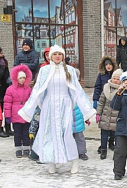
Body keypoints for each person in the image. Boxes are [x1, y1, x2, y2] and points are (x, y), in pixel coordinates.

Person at [18, 45, 96, 174]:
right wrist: (29, 109)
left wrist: (87, 110)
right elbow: (37, 90)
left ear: (63, 56)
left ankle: (74, 160)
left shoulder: (70, 70)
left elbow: (77, 90)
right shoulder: (44, 71)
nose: (57, 56)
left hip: (65, 106)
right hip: (49, 106)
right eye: (55, 54)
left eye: (60, 54)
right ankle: (52, 161)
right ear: (50, 56)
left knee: (66, 134)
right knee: (50, 134)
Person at [4, 65, 32, 157]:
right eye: (20, 78)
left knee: (26, 133)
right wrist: (7, 116)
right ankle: (18, 149)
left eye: (24, 77)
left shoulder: (28, 89)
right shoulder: (10, 89)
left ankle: (26, 148)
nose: (22, 80)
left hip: (26, 113)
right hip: (15, 114)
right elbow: (7, 104)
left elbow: (32, 101)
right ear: (16, 78)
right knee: (17, 133)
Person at [96, 69, 123, 159]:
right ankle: (103, 150)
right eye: (114, 78)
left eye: (118, 79)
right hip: (105, 115)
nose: (115, 80)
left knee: (116, 136)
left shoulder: (122, 90)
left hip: (116, 117)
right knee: (104, 135)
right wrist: (98, 113)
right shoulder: (106, 88)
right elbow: (101, 102)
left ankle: (117, 152)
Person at [93, 56, 118, 153]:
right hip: (104, 102)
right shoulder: (101, 75)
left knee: (113, 124)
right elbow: (97, 87)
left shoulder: (115, 75)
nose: (108, 66)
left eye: (110, 65)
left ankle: (111, 142)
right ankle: (103, 144)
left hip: (114, 102)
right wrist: (95, 99)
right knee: (104, 124)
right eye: (106, 65)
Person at [0, 47, 12, 137]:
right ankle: (0, 129)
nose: (2, 53)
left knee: (7, 109)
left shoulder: (4, 61)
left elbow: (6, 75)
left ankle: (8, 128)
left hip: (5, 88)